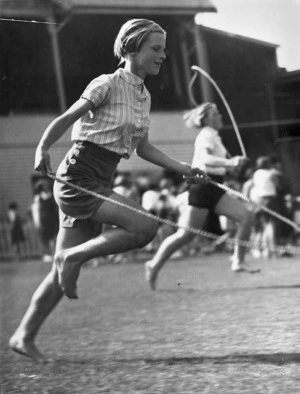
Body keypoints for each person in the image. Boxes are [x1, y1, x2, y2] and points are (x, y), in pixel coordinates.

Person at [9, 18, 205, 363]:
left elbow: (143, 148)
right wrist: (42, 149)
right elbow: (66, 119)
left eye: (164, 49)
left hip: (100, 179)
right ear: (131, 49)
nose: (164, 55)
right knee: (145, 226)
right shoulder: (107, 83)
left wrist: (184, 168)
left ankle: (23, 336)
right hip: (78, 177)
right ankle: (73, 256)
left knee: (61, 272)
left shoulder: (143, 96)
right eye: (155, 49)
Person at [145, 102, 258, 290]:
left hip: (215, 187)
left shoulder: (213, 136)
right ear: (206, 119)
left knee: (247, 217)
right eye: (215, 114)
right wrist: (231, 162)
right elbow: (205, 159)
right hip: (203, 188)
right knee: (185, 234)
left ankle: (238, 261)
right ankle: (153, 264)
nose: (220, 116)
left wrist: (230, 165)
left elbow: (215, 163)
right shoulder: (206, 134)